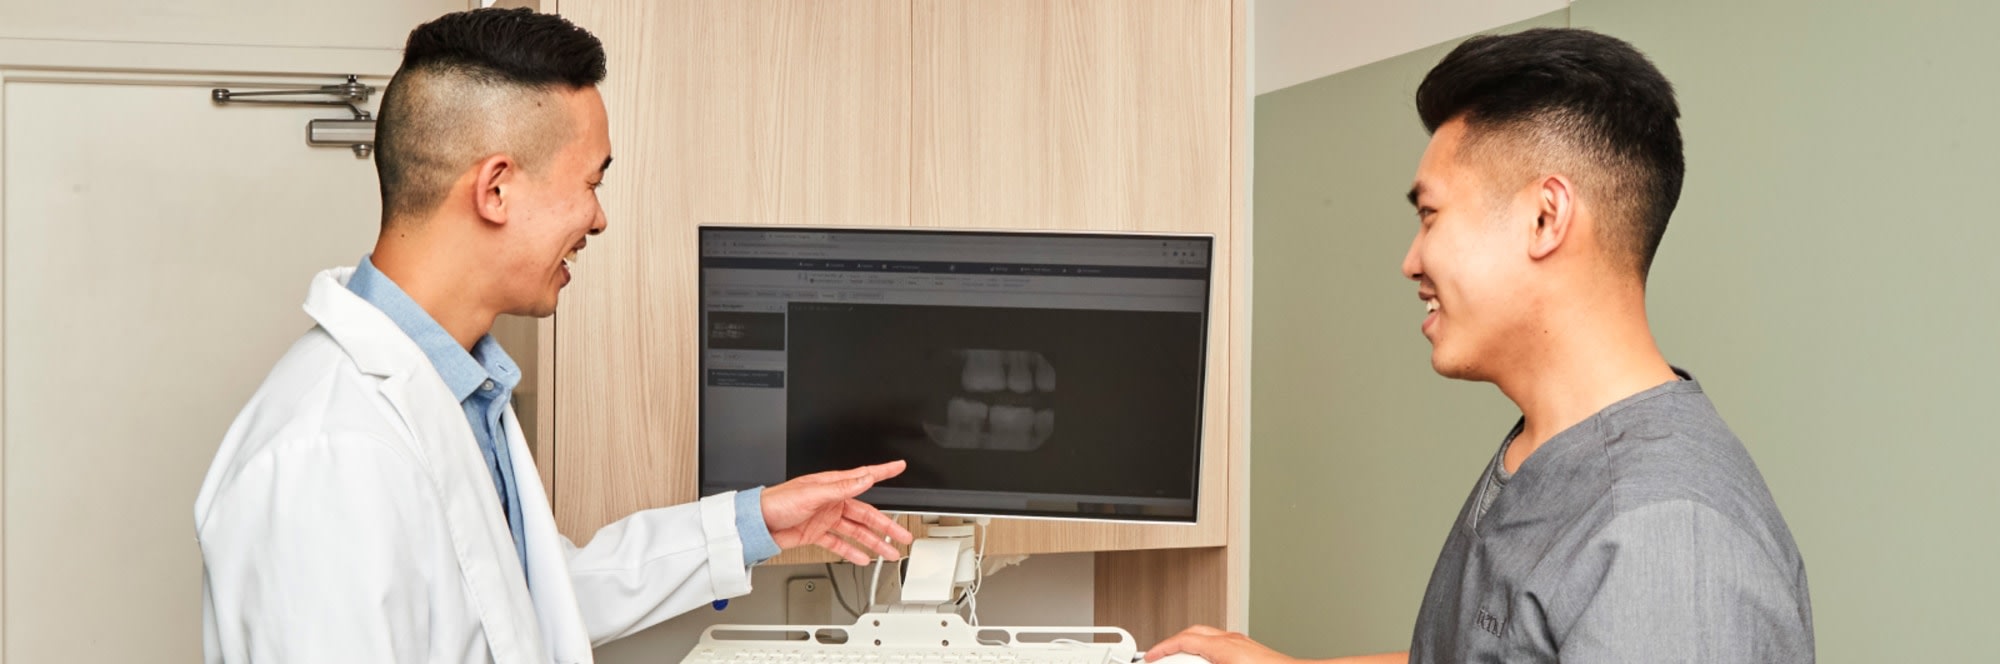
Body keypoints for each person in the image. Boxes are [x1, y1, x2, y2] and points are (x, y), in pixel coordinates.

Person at [194, 9, 914, 663]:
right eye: (591, 182)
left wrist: (755, 523)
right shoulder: (327, 455)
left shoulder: (456, 390)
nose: (597, 220)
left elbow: (517, 600)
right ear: (496, 189)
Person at [1146, 28, 1812, 663]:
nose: (1412, 260)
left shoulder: (1666, 536)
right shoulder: (1546, 450)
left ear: (1545, 218)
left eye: (1430, 215)